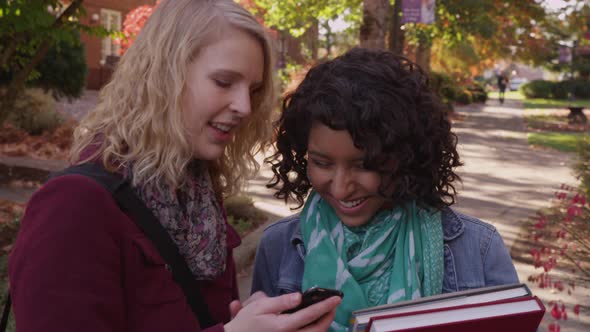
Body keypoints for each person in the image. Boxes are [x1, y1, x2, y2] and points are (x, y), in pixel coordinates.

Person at [8, 0, 340, 331]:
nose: (243, 107)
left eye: (253, 90)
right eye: (224, 82)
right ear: (163, 76)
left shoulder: (197, 196)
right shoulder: (74, 205)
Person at [251, 48, 518, 331]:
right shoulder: (278, 248)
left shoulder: (478, 249)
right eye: (321, 162)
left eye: (365, 165)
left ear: (407, 156)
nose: (341, 188)